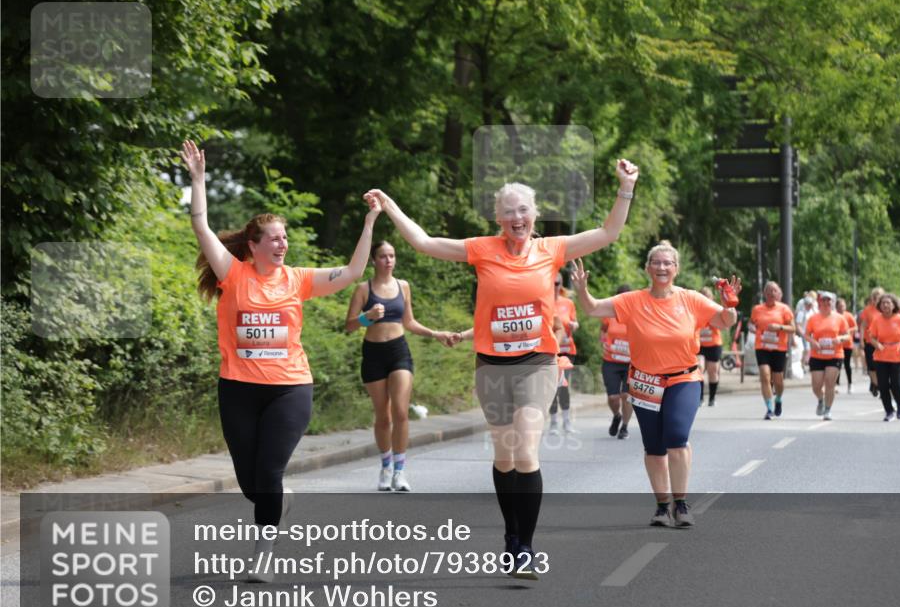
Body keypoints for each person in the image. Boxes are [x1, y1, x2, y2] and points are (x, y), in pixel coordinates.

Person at [364, 158, 639, 578]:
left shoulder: (552, 249)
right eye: (508, 211)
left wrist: (626, 187)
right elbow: (423, 242)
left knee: (526, 449)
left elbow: (608, 232)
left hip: (537, 363)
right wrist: (390, 205)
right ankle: (511, 534)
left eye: (523, 210)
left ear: (534, 215)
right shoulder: (482, 249)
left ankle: (525, 548)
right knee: (505, 455)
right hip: (492, 365)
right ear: (498, 218)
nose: (517, 218)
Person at [182, 140, 378, 583]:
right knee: (251, 482)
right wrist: (198, 180)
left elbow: (350, 273)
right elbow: (201, 226)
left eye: (285, 238)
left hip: (290, 388)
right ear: (252, 247)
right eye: (274, 238)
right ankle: (276, 500)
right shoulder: (234, 275)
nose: (282, 244)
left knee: (269, 471)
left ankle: (263, 555)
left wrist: (368, 223)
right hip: (238, 388)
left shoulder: (298, 280)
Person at [570, 242, 740, 528]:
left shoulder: (691, 299)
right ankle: (662, 506)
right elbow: (593, 309)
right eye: (656, 263)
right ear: (647, 268)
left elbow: (724, 322)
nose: (662, 268)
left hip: (682, 379)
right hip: (645, 381)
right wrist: (582, 290)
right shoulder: (633, 300)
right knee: (654, 447)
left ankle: (681, 503)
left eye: (667, 263)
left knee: (676, 438)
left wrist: (730, 304)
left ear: (676, 269)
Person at [345, 241, 456, 493]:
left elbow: (410, 322)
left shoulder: (403, 286)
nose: (388, 260)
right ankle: (385, 467)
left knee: (401, 412)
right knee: (383, 417)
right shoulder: (363, 289)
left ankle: (399, 471)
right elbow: (349, 325)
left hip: (398, 351)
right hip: (373, 353)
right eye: (383, 256)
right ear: (374, 260)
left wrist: (435, 333)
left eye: (392, 256)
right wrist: (367, 316)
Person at [749, 281, 795, 419]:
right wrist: (751, 327)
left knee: (778, 380)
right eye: (768, 291)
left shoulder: (784, 309)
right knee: (765, 375)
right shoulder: (757, 309)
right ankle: (769, 408)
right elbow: (751, 323)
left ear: (778, 294)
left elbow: (793, 329)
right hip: (762, 347)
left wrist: (779, 327)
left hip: (778, 348)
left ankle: (778, 399)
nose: (771, 293)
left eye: (774, 291)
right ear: (764, 293)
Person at [868, 293, 900, 422]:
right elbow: (870, 336)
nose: (886, 305)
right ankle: (889, 411)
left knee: (896, 385)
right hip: (881, 356)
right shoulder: (877, 319)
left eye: (888, 303)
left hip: (897, 356)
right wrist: (876, 343)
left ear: (894, 305)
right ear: (880, 306)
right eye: (883, 303)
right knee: (883, 386)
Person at [804, 292, 849, 420]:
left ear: (833, 303)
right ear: (819, 303)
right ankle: (820, 399)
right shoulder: (813, 318)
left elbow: (847, 335)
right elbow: (806, 334)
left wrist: (839, 338)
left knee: (830, 383)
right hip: (817, 355)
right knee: (816, 385)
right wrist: (813, 342)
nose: (826, 303)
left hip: (835, 354)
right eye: (823, 300)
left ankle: (828, 410)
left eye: (828, 301)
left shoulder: (839, 318)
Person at [600, 285, 634, 439]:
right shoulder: (610, 314)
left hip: (631, 363)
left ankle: (625, 427)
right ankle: (616, 416)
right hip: (611, 361)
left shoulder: (636, 316)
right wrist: (603, 342)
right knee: (613, 397)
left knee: (626, 396)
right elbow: (603, 329)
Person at [548, 274, 580, 435]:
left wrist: (574, 325)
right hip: (549, 351)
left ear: (560, 284)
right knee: (552, 387)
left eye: (557, 283)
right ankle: (553, 422)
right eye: (551, 282)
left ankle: (566, 422)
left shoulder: (568, 303)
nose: (554, 286)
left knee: (563, 386)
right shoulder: (542, 302)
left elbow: (574, 321)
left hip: (567, 350)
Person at [697, 286, 724, 407]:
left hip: (714, 344)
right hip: (699, 345)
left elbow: (724, 325)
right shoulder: (695, 310)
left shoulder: (716, 311)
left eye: (707, 298)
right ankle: (700, 397)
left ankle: (712, 397)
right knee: (699, 368)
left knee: (713, 371)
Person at [858, 287, 886, 398]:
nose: (876, 298)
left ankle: (877, 385)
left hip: (883, 342)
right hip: (869, 341)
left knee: (881, 366)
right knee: (871, 367)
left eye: (879, 295)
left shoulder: (885, 309)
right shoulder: (868, 310)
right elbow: (863, 326)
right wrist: (861, 340)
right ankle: (876, 384)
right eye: (875, 296)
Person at [835, 297, 858, 393]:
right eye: (840, 306)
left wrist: (848, 330)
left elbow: (855, 327)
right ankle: (836, 384)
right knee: (837, 365)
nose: (841, 308)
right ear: (836, 307)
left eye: (843, 306)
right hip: (837, 344)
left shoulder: (848, 315)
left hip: (847, 344)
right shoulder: (834, 315)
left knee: (847, 364)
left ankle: (850, 384)